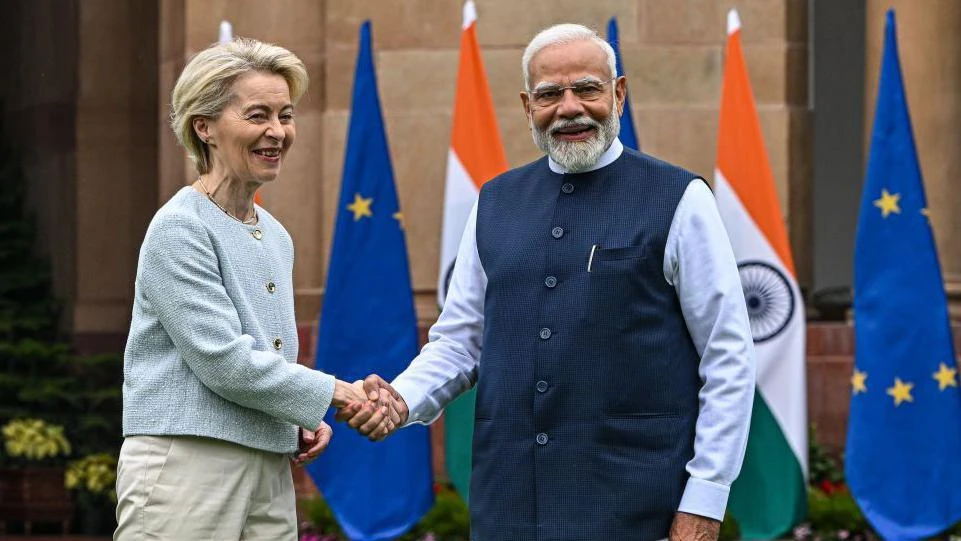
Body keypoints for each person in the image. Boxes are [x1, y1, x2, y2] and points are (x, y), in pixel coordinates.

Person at [343, 23, 757, 541]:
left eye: (586, 88)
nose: (569, 108)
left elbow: (728, 356)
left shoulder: (680, 198)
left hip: (638, 504)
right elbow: (460, 341)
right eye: (549, 94)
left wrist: (705, 501)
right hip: (509, 503)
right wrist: (401, 400)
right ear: (527, 106)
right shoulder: (494, 202)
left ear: (619, 94)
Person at [114, 38, 392, 540]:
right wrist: (333, 393)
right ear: (205, 127)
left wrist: (297, 416)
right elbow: (223, 360)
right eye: (258, 115)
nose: (277, 132)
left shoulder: (276, 234)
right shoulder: (179, 227)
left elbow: (270, 358)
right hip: (187, 467)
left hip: (268, 465)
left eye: (286, 116)